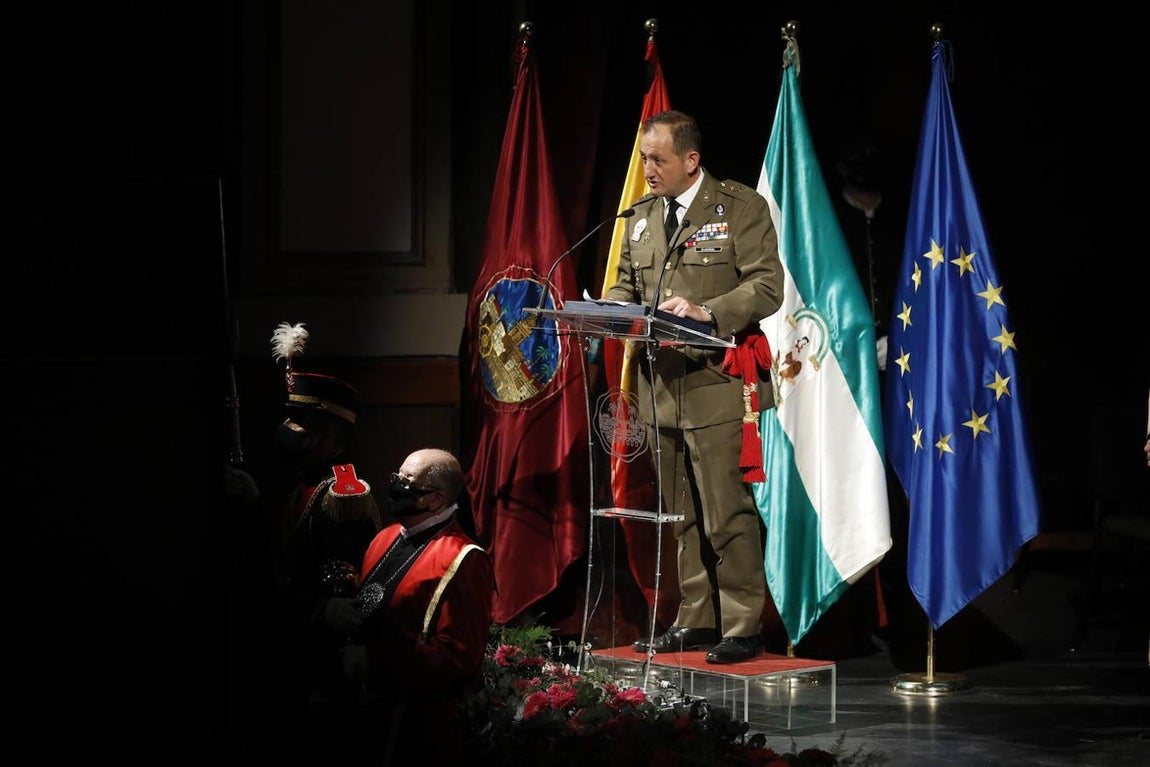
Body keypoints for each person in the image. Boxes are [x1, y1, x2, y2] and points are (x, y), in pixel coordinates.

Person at [602, 110, 784, 664]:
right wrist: (608, 308)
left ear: (690, 160)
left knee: (727, 514)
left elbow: (767, 286)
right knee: (680, 517)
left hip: (716, 386)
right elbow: (624, 284)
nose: (648, 169)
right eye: (643, 159)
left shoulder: (738, 208)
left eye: (657, 159)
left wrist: (707, 310)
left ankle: (743, 624)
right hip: (661, 389)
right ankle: (696, 618)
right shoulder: (640, 217)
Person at [265, 322, 383, 763]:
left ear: (333, 440)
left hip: (324, 653)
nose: (292, 431)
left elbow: (346, 583)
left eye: (306, 425)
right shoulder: (293, 480)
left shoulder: (344, 491)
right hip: (293, 635)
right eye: (292, 420)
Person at [335, 448, 495, 766]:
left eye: (407, 481)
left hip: (413, 723)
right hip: (363, 706)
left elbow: (458, 655)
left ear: (435, 499)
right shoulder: (386, 537)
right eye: (397, 475)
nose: (395, 484)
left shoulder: (464, 558)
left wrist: (373, 662)